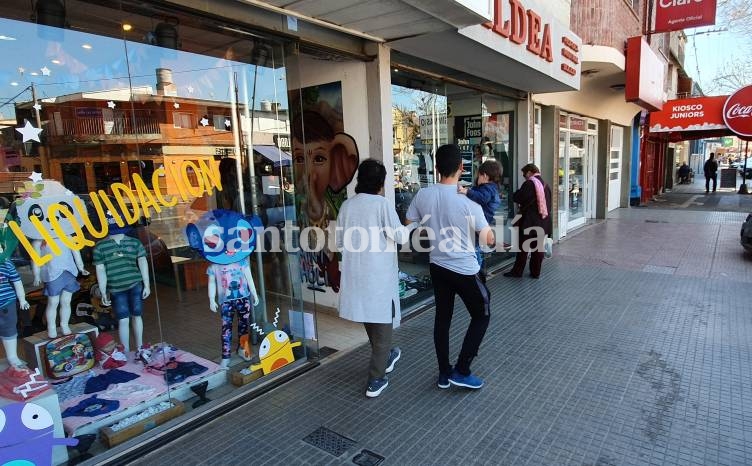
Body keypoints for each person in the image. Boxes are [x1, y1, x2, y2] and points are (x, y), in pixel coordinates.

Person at [406, 144, 495, 390]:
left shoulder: (423, 195)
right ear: (461, 167)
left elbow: (408, 221)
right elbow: (488, 239)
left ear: (436, 169)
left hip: (438, 265)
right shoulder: (469, 201)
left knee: (442, 319)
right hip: (465, 269)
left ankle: (444, 373)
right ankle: (462, 370)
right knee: (482, 314)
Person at [336, 159, 416, 397]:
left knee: (370, 318)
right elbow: (400, 237)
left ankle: (388, 356)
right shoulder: (382, 205)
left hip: (355, 275)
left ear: (360, 180)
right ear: (381, 183)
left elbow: (339, 242)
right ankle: (376, 379)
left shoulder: (347, 207)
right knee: (383, 327)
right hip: (377, 276)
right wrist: (413, 226)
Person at [93, 210, 151, 354]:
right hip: (116, 288)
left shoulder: (134, 243)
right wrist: (103, 289)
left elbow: (143, 262)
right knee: (124, 318)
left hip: (134, 284)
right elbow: (100, 270)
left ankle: (139, 347)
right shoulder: (100, 247)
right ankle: (126, 350)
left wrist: (147, 284)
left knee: (134, 316)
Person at [504, 163, 552, 279]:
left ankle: (517, 272)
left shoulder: (530, 183)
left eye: (524, 174)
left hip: (529, 222)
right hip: (543, 222)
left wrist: (515, 193)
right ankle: (535, 272)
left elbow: (518, 197)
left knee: (523, 248)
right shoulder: (546, 185)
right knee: (538, 249)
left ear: (530, 172)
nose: (524, 176)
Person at [458, 160, 502, 281]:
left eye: (478, 174)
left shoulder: (487, 189)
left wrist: (466, 191)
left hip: (480, 224)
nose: (476, 177)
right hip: (482, 224)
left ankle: (477, 274)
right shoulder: (492, 188)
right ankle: (478, 272)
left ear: (485, 176)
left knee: (475, 249)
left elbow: (481, 198)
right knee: (476, 247)